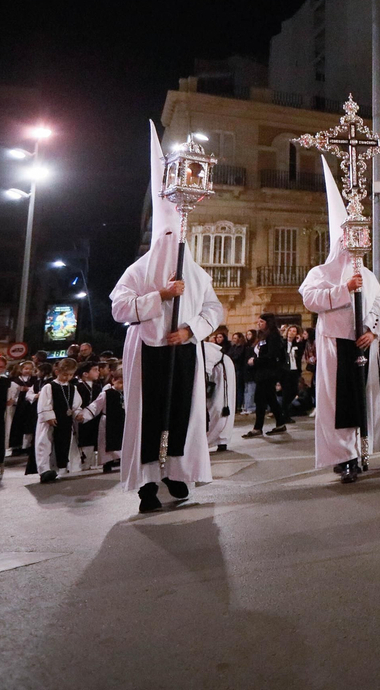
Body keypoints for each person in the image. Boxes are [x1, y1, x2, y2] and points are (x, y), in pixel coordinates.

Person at [109, 123, 225, 513]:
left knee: (181, 415)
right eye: (167, 239)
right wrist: (159, 295)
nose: (172, 245)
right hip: (147, 352)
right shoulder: (138, 271)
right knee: (148, 416)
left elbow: (214, 309)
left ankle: (176, 473)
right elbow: (119, 307)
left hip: (183, 351)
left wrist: (191, 329)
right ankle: (146, 485)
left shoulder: (196, 272)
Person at [301, 156, 380, 483]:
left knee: (362, 398)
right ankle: (344, 456)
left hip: (362, 344)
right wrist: (342, 290)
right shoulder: (320, 272)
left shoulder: (367, 274)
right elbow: (310, 298)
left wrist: (372, 329)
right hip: (334, 345)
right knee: (337, 402)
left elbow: (379, 302)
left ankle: (362, 450)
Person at [34, 358, 86, 483]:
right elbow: (44, 403)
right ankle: (44, 470)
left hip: (65, 421)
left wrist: (78, 414)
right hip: (50, 422)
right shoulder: (49, 386)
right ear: (58, 372)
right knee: (45, 444)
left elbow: (76, 405)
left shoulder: (73, 388)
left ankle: (57, 469)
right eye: (64, 374)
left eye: (70, 375)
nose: (67, 377)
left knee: (63, 444)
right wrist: (49, 416)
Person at [243, 316, 290, 436]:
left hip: (269, 372)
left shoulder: (273, 336)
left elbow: (272, 355)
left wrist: (256, 361)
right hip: (262, 372)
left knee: (260, 398)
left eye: (262, 321)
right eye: (258, 321)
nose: (259, 324)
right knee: (270, 398)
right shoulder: (262, 336)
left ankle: (258, 427)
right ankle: (280, 423)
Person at [82, 369, 124, 472]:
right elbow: (95, 406)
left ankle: (122, 460)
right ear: (113, 380)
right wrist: (83, 415)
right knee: (105, 443)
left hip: (121, 421)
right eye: (120, 383)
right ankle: (107, 463)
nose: (122, 386)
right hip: (107, 421)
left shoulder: (127, 394)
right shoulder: (106, 394)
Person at [202, 335, 236, 453]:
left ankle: (222, 439)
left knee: (220, 405)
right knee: (214, 405)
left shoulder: (204, 348)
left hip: (222, 372)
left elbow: (206, 370)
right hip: (215, 373)